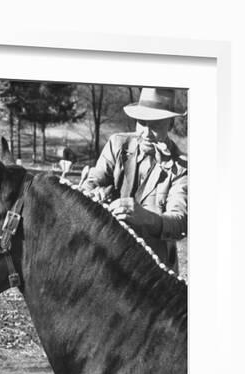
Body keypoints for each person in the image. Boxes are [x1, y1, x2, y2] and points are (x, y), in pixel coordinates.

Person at [80, 87, 187, 272]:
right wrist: (92, 194)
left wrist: (145, 218)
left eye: (155, 125)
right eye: (142, 122)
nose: (146, 133)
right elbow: (91, 182)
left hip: (154, 268)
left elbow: (179, 222)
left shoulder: (182, 166)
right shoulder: (117, 144)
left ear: (170, 125)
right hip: (109, 257)